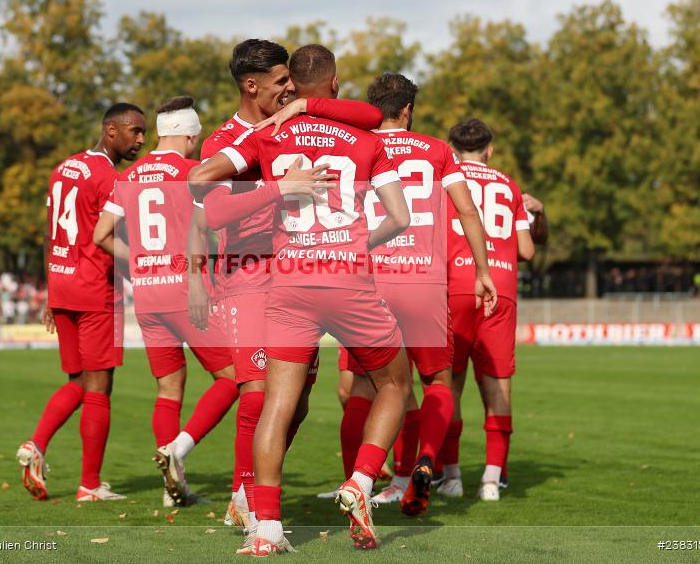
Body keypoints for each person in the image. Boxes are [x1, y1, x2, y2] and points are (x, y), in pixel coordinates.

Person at [199, 44, 496, 553]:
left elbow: (202, 189)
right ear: (335, 86)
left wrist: (277, 188)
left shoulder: (266, 135)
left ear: (291, 84)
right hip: (350, 279)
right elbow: (400, 218)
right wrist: (359, 243)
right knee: (395, 384)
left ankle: (266, 528)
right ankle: (360, 482)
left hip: (288, 282)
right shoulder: (364, 136)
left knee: (278, 401)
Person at [188, 38, 386, 551]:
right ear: (251, 85)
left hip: (291, 274)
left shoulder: (286, 127)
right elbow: (200, 204)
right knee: (259, 395)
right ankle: (250, 502)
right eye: (281, 83)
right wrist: (196, 276)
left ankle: (251, 497)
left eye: (291, 81)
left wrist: (305, 106)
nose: (288, 89)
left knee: (292, 402)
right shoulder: (232, 138)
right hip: (249, 274)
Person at [93, 96, 238, 507]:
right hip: (187, 290)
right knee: (233, 378)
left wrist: (140, 261)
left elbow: (101, 235)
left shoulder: (128, 177)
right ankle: (179, 449)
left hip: (149, 294)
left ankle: (171, 490)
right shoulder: (194, 173)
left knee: (168, 390)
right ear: (191, 136)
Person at [16, 103, 146, 502]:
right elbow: (114, 237)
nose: (140, 139)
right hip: (94, 287)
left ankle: (35, 445)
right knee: (99, 387)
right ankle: (90, 484)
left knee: (77, 381)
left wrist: (50, 292)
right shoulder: (110, 177)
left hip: (63, 285)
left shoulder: (63, 168)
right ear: (111, 130)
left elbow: (46, 234)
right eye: (134, 131)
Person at [435, 118, 535, 502]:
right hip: (503, 286)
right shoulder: (509, 185)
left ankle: (454, 476)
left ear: (451, 146)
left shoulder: (446, 179)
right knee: (498, 388)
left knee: (449, 386)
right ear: (489, 150)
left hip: (456, 287)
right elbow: (526, 250)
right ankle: (492, 480)